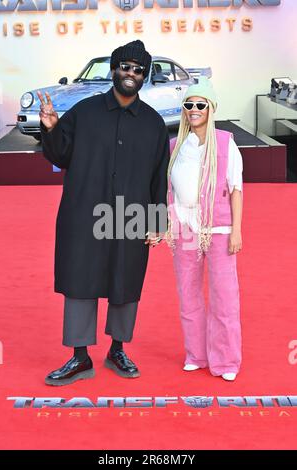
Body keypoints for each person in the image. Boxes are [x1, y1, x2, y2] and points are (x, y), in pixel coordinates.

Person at [38, 40, 169, 386]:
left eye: (139, 70)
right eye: (125, 66)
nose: (131, 74)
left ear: (145, 76)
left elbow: (159, 175)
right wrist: (51, 128)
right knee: (80, 280)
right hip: (84, 212)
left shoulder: (154, 124)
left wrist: (157, 221)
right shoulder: (85, 111)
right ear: (113, 70)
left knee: (125, 281)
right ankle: (80, 357)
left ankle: (117, 349)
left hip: (131, 216)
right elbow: (60, 155)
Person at [167, 78, 243, 381]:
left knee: (224, 298)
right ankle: (196, 354)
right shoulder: (175, 146)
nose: (194, 109)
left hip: (220, 228)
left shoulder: (226, 141)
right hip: (184, 230)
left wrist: (237, 230)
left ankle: (225, 361)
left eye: (200, 104)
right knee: (188, 295)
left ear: (211, 108)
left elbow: (236, 188)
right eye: (189, 104)